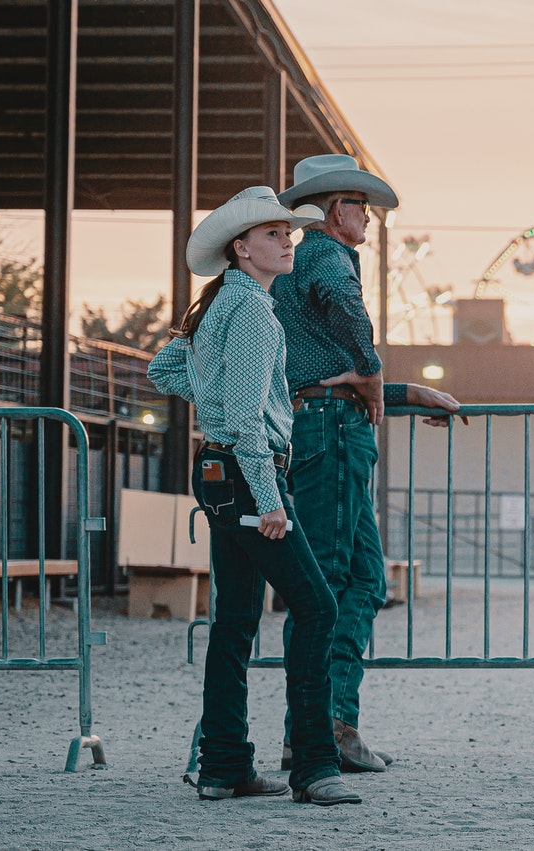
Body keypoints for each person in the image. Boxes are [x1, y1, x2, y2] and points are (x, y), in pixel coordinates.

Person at [148, 186, 359, 805]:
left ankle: (224, 767)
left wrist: (210, 396)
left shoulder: (229, 305)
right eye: (273, 234)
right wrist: (268, 499)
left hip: (220, 471)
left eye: (288, 233)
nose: (287, 241)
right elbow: (244, 417)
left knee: (236, 621)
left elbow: (165, 368)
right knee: (317, 608)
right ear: (241, 248)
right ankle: (316, 767)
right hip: (247, 475)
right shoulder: (250, 313)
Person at [271, 154, 463, 774]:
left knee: (360, 578)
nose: (370, 220)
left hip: (330, 421)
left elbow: (332, 369)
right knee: (335, 580)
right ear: (336, 209)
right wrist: (379, 380)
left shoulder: (306, 260)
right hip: (331, 427)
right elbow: (348, 343)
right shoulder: (326, 258)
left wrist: (402, 392)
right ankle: (314, 731)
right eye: (362, 206)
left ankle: (332, 722)